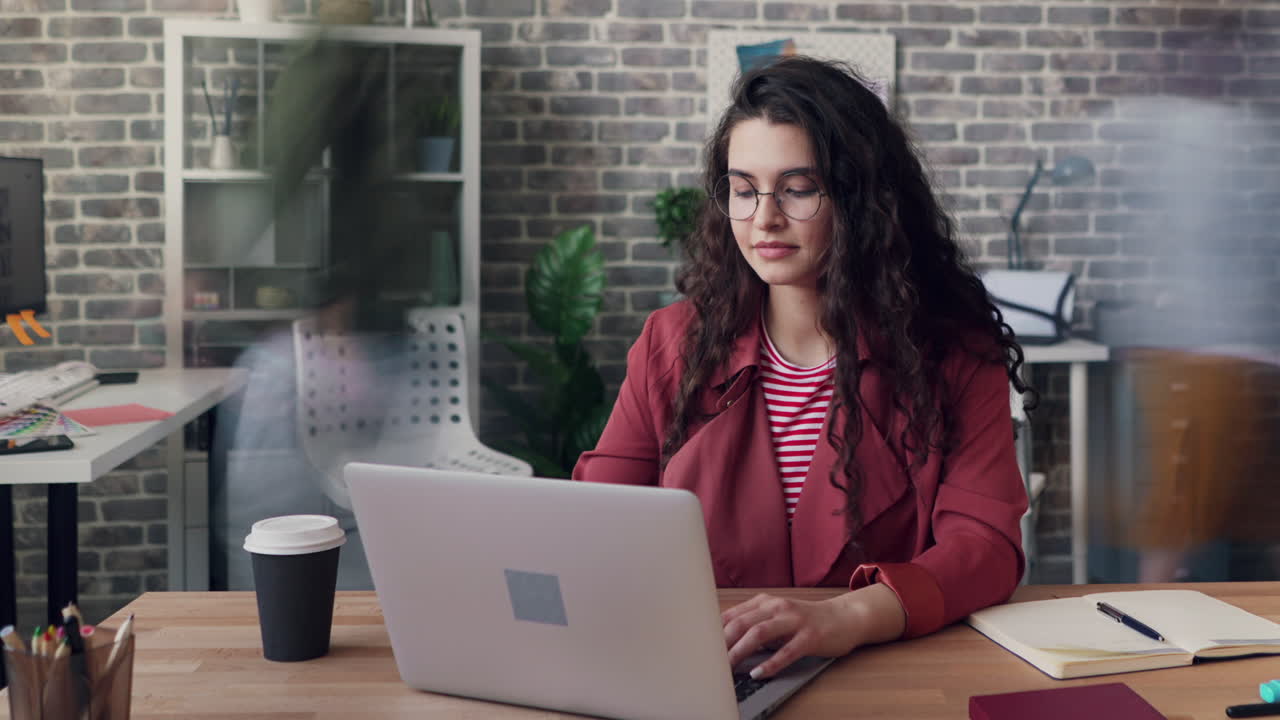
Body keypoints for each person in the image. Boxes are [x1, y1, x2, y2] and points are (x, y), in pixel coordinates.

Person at [572, 56, 1031, 679]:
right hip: (706, 669)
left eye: (798, 188)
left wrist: (846, 618)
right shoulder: (670, 343)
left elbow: (985, 550)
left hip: (888, 674)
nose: (764, 217)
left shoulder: (954, 355)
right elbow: (593, 526)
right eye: (743, 189)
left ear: (861, 197)